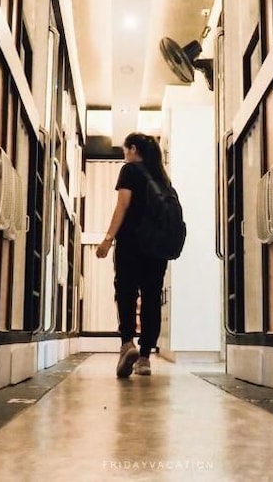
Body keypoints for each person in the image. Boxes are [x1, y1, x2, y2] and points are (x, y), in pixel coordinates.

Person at [95, 132, 171, 378]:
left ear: (133, 149)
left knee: (126, 292)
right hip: (157, 247)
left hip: (131, 242)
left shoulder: (129, 170)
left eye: (125, 150)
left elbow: (123, 204)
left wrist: (108, 239)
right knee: (152, 297)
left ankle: (127, 343)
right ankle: (145, 358)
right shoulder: (162, 176)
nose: (124, 155)